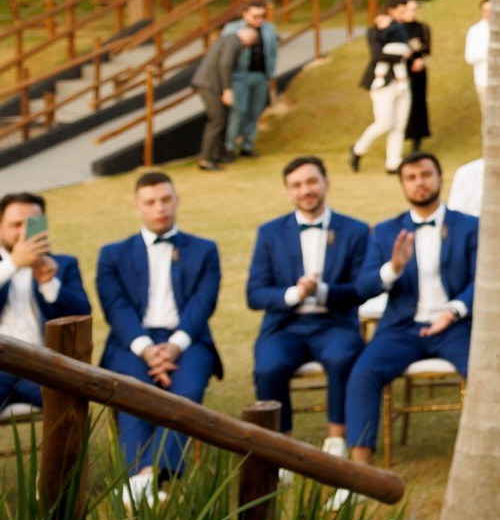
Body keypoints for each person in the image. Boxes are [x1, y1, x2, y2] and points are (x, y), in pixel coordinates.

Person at [95, 172, 222, 497]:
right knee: (132, 391)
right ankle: (146, 475)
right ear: (138, 207)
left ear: (176, 200)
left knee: (187, 389)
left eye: (166, 199)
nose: (159, 208)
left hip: (187, 339)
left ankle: (146, 478)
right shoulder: (113, 254)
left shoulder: (205, 249)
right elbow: (115, 307)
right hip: (132, 341)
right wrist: (147, 349)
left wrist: (175, 347)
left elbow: (202, 304)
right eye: (150, 202)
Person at [344, 153, 476, 463]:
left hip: (455, 326)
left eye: (426, 175)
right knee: (363, 372)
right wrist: (392, 268)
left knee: (484, 372)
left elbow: (481, 278)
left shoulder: (470, 227)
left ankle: (484, 455)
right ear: (403, 185)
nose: (420, 183)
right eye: (411, 178)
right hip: (402, 327)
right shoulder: (387, 231)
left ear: (440, 179)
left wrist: (454, 311)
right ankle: (359, 471)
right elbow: (363, 288)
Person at [247, 155, 372, 449]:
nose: (305, 190)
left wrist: (323, 291)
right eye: (296, 185)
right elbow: (255, 294)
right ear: (288, 191)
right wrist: (295, 294)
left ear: (326, 182)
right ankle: (280, 446)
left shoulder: (355, 230)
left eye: (311, 181)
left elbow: (362, 288)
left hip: (334, 323)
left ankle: (337, 441)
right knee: (269, 367)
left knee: (342, 358)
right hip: (285, 325)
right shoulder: (270, 233)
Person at [0, 192, 91, 410]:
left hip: (42, 368)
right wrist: (13, 264)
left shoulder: (63, 264)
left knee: (69, 403)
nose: (23, 233)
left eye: (32, 224)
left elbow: (82, 314)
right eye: (15, 225)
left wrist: (49, 284)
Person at [350, 1, 420, 174]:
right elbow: (377, 55)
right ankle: (358, 148)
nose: (403, 14)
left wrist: (415, 56)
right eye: (400, 10)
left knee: (399, 124)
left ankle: (393, 162)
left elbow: (411, 47)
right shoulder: (375, 31)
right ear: (390, 11)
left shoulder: (403, 29)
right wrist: (401, 56)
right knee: (384, 123)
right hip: (383, 81)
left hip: (402, 81)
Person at [221, 0, 279, 158]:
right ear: (245, 14)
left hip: (261, 76)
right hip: (239, 77)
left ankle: (247, 145)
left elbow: (273, 51)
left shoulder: (269, 28)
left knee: (255, 112)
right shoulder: (232, 29)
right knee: (240, 110)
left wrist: (271, 73)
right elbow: (225, 55)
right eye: (255, 16)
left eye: (261, 16)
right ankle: (230, 147)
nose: (259, 20)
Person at [192, 21, 253, 172]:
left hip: (210, 84)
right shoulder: (235, 42)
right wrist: (227, 90)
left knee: (222, 118)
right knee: (217, 120)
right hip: (210, 85)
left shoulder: (228, 39)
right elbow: (225, 64)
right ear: (248, 39)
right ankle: (206, 159)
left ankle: (218, 154)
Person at [399, 0, 433, 155]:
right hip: (402, 71)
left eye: (414, 9)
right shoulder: (398, 29)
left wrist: (420, 61)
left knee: (418, 103)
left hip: (418, 71)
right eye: (409, 9)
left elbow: (427, 49)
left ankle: (417, 140)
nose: (412, 12)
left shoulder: (422, 27)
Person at [463, 0, 491, 114]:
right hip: (483, 80)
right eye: (486, 10)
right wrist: (489, 52)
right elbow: (469, 57)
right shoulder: (475, 31)